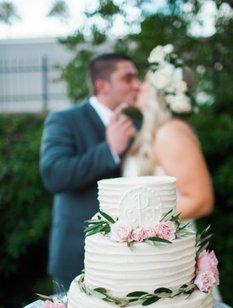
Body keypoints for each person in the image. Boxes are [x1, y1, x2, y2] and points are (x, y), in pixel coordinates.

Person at [40, 53, 140, 290]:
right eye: (128, 78)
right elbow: (53, 174)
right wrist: (109, 150)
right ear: (102, 85)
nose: (136, 84)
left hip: (130, 260)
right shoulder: (64, 120)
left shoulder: (135, 127)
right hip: (77, 256)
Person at [123, 44, 214, 224]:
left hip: (167, 247)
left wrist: (141, 225)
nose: (139, 87)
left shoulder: (170, 133)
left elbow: (201, 200)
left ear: (161, 93)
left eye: (146, 83)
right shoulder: (154, 131)